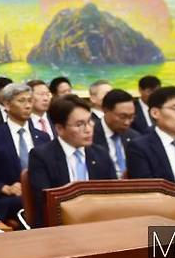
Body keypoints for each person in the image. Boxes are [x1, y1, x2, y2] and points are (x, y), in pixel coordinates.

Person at [29, 95, 116, 227]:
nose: (88, 129)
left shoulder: (100, 154)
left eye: (89, 121)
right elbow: (44, 203)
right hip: (59, 227)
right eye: (80, 124)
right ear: (60, 129)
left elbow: (114, 195)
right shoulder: (42, 156)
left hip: (99, 225)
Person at [0, 83, 50, 221]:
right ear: (7, 105)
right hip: (9, 199)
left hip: (40, 195)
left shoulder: (43, 137)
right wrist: (5, 188)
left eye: (30, 101)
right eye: (21, 101)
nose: (28, 106)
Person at [92, 89, 140, 178]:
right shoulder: (90, 135)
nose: (127, 122)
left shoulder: (134, 137)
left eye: (131, 117)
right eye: (123, 117)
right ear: (105, 110)